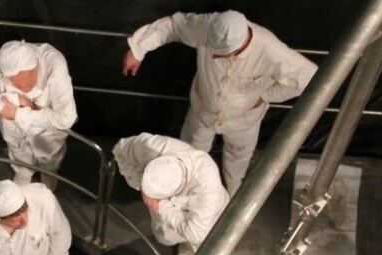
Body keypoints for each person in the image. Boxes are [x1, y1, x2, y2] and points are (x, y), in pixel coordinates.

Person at [122, 11, 317, 195]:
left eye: (221, 55)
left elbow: (308, 77)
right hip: (203, 111)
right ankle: (189, 195)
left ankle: (232, 202)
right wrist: (138, 50)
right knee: (189, 154)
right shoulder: (205, 26)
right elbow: (173, 26)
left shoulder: (272, 51)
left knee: (237, 163)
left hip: (243, 121)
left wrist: (267, 95)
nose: (214, 56)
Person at [112, 132, 229, 255]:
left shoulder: (207, 189)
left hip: (207, 218)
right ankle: (176, 240)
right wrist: (140, 185)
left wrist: (161, 206)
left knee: (201, 242)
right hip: (168, 214)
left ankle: (189, 252)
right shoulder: (151, 148)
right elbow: (120, 149)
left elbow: (195, 233)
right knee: (164, 237)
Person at [0, 41, 77, 189]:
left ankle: (49, 172)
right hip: (12, 125)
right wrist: (15, 100)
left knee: (49, 153)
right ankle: (23, 172)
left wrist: (17, 113)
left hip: (45, 126)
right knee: (17, 149)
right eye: (18, 85)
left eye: (30, 81)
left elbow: (66, 118)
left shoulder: (55, 64)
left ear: (37, 64)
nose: (25, 88)